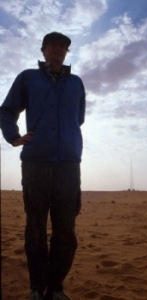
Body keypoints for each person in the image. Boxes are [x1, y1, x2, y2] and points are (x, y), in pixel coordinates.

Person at [0, 32, 86, 300]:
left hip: (68, 165)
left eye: (63, 46)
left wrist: (66, 139)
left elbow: (78, 117)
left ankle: (56, 288)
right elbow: (6, 110)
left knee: (66, 229)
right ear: (44, 50)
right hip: (36, 162)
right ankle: (37, 288)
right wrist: (14, 137)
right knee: (35, 227)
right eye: (53, 45)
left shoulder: (76, 83)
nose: (58, 49)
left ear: (66, 52)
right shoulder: (28, 77)